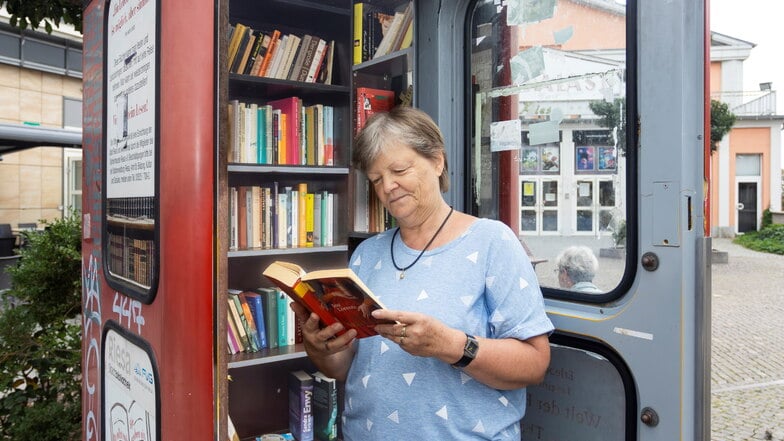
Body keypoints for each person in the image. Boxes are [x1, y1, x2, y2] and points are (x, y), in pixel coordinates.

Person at [291, 106, 554, 440]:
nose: (388, 186)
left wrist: (449, 345)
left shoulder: (492, 242)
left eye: (399, 169)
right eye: (376, 179)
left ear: (437, 162)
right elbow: (346, 369)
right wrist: (319, 348)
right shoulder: (367, 254)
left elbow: (535, 364)